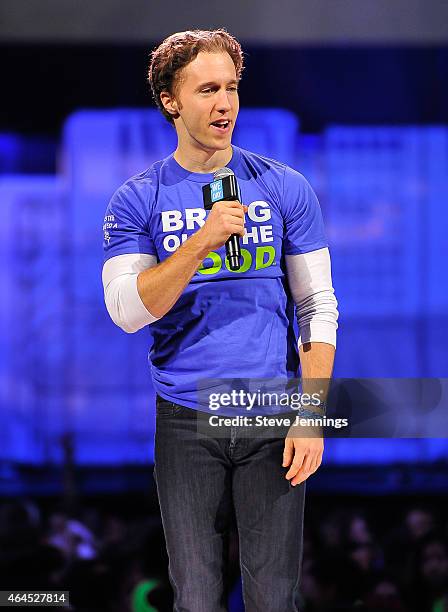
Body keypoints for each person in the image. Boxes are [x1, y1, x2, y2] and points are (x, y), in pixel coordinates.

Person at [102, 29, 339, 612]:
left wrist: (311, 416)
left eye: (231, 88)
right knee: (197, 598)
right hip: (185, 418)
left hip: (270, 411)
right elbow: (128, 311)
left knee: (272, 598)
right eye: (207, 89)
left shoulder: (284, 187)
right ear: (170, 100)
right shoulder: (138, 199)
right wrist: (201, 241)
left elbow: (318, 307)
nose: (225, 103)